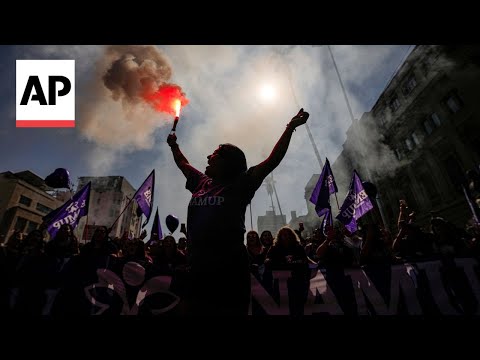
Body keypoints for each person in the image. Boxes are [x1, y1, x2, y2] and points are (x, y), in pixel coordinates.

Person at [167, 108, 309, 315]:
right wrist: (174, 145)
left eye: (214, 155)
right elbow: (182, 163)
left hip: (229, 273)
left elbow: (272, 160)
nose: (208, 157)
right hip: (197, 271)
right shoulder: (200, 182)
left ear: (228, 161)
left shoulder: (241, 183)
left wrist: (290, 128)